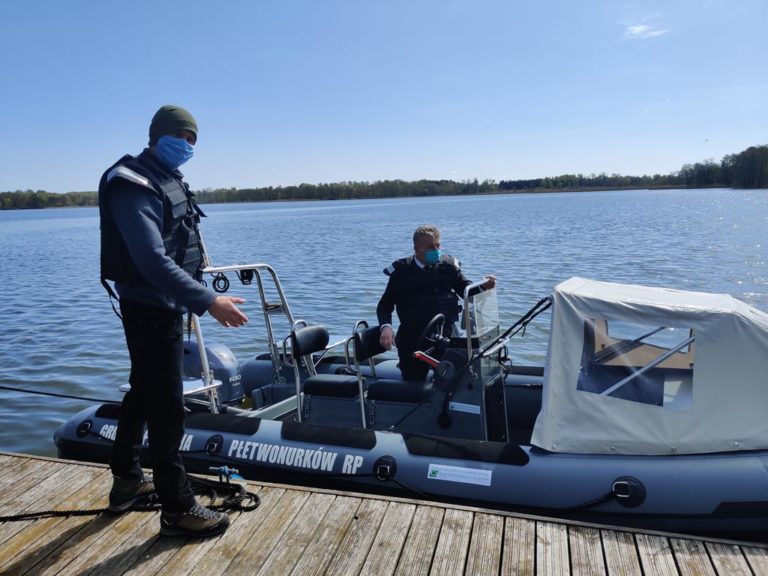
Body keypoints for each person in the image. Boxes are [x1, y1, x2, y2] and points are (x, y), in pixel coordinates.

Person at [98, 105, 248, 538]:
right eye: (181, 136)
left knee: (144, 391)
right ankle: (177, 508)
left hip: (166, 304)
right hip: (149, 307)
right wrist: (208, 301)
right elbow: (149, 258)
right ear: (157, 135)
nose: (187, 145)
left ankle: (126, 479)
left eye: (193, 140)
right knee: (166, 407)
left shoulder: (165, 178)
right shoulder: (133, 183)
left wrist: (200, 291)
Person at [376, 225, 496, 381]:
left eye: (438, 245)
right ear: (416, 248)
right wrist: (386, 327)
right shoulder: (401, 271)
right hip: (413, 338)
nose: (436, 250)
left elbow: (466, 291)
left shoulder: (448, 266)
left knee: (455, 382)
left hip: (446, 336)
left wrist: (483, 286)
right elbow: (384, 305)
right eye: (430, 247)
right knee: (413, 382)